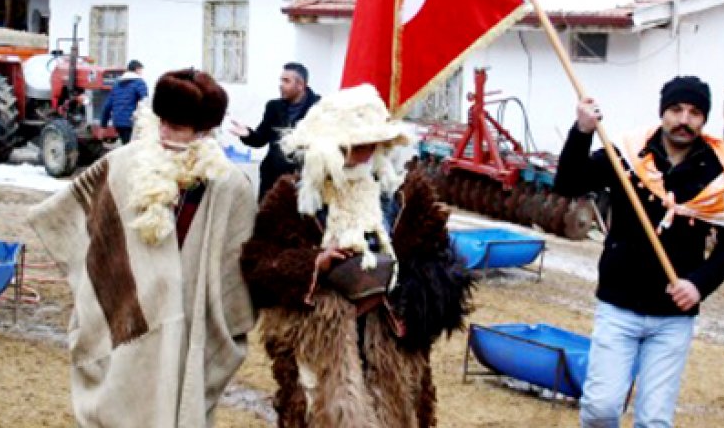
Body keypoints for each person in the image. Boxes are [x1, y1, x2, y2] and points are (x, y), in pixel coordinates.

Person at [28, 68, 257, 426]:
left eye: (178, 127)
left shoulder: (229, 185)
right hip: (127, 312)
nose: (166, 134)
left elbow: (235, 275)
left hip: (188, 320)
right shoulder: (125, 163)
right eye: (163, 122)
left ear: (204, 129)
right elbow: (78, 218)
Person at [241, 84, 473, 428]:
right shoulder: (292, 198)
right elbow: (259, 265)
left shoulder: (407, 196)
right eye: (351, 145)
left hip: (394, 347)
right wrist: (315, 266)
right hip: (320, 354)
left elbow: (443, 270)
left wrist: (398, 295)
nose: (362, 153)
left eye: (369, 143)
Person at [554, 76, 724, 428]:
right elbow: (568, 183)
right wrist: (582, 131)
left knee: (654, 421)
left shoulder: (720, 173)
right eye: (676, 110)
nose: (684, 120)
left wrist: (698, 285)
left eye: (694, 113)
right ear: (663, 113)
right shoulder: (628, 156)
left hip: (672, 316)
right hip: (619, 305)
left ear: (703, 119)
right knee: (601, 409)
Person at [229, 62, 321, 200]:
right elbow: (260, 139)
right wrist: (248, 134)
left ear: (301, 85)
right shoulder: (274, 107)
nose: (281, 85)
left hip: (302, 181)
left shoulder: (319, 108)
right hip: (272, 179)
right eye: (281, 80)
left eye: (286, 81)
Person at [100, 59, 148, 144]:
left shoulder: (117, 84)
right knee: (132, 148)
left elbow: (107, 106)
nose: (141, 73)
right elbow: (145, 101)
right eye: (141, 70)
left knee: (126, 144)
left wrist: (103, 125)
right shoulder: (139, 83)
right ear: (137, 69)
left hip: (118, 122)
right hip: (131, 122)